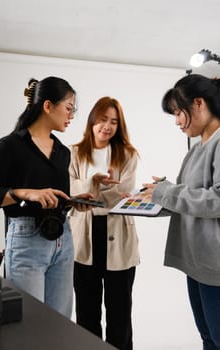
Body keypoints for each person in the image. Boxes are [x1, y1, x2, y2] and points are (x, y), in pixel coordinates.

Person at [142, 74, 220, 350]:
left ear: (198, 103)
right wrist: (156, 194)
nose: (176, 121)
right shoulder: (200, 148)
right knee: (211, 339)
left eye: (178, 112)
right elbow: (192, 198)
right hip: (202, 263)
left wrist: (167, 192)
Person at [0, 76, 91, 318]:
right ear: (48, 106)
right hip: (26, 240)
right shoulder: (8, 146)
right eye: (69, 108)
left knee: (60, 323)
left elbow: (54, 197)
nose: (71, 116)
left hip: (62, 238)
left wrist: (73, 202)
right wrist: (23, 193)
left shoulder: (62, 152)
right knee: (29, 323)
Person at [69, 96, 139, 350]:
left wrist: (86, 190)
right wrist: (95, 183)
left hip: (118, 238)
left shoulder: (128, 154)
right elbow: (67, 189)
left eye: (113, 122)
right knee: (86, 312)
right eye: (102, 120)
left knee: (120, 313)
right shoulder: (74, 152)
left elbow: (126, 191)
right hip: (83, 238)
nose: (107, 126)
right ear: (92, 121)